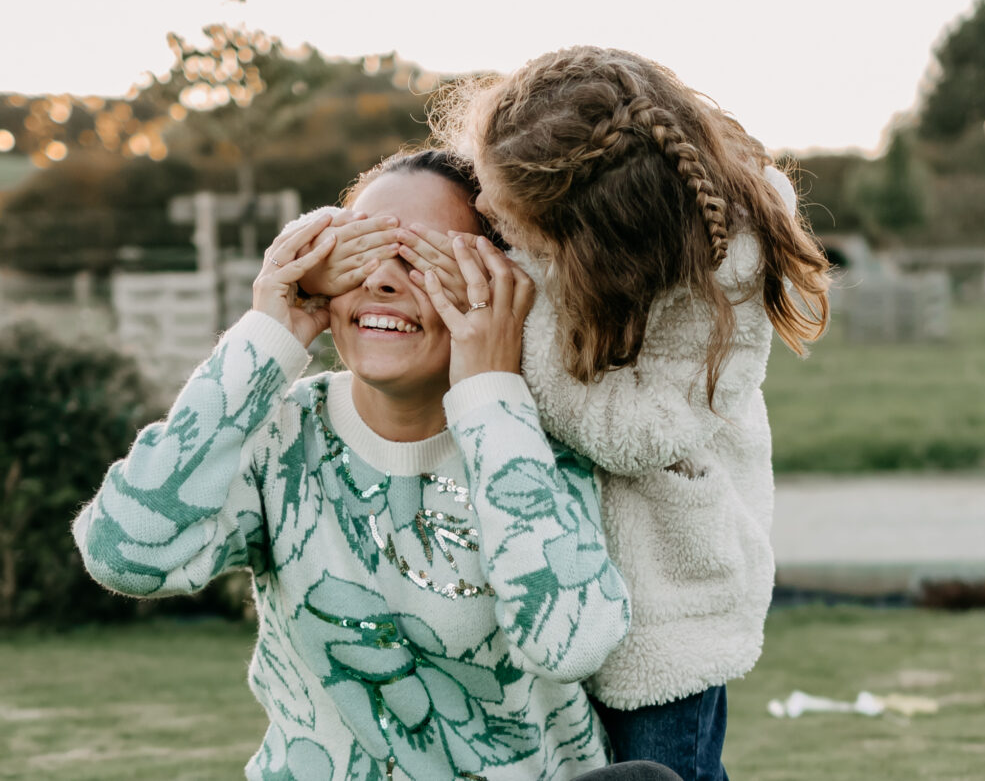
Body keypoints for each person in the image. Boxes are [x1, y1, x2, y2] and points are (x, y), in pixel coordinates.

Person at [73, 149, 637, 781]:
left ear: (500, 284)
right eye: (359, 252)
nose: (382, 282)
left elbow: (572, 642)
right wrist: (267, 333)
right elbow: (124, 554)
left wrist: (491, 392)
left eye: (424, 259)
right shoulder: (281, 439)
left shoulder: (536, 447)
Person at [397, 47, 832, 779]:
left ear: (592, 237)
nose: (491, 219)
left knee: (661, 770)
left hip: (663, 588)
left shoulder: (724, 277)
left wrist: (510, 334)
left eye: (509, 218)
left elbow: (640, 434)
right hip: (554, 560)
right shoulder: (525, 175)